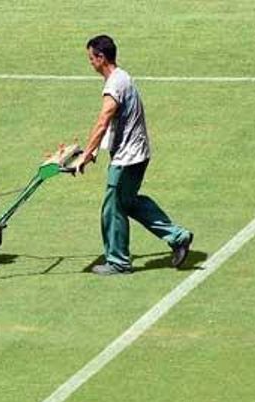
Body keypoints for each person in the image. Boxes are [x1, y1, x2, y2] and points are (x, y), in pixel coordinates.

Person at [72, 34, 194, 275]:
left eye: (91, 58)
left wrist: (86, 154)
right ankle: (178, 237)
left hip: (128, 158)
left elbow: (103, 120)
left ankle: (118, 262)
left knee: (113, 207)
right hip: (138, 153)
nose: (90, 63)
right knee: (129, 202)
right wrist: (95, 151)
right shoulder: (122, 77)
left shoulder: (114, 85)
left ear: (101, 57)